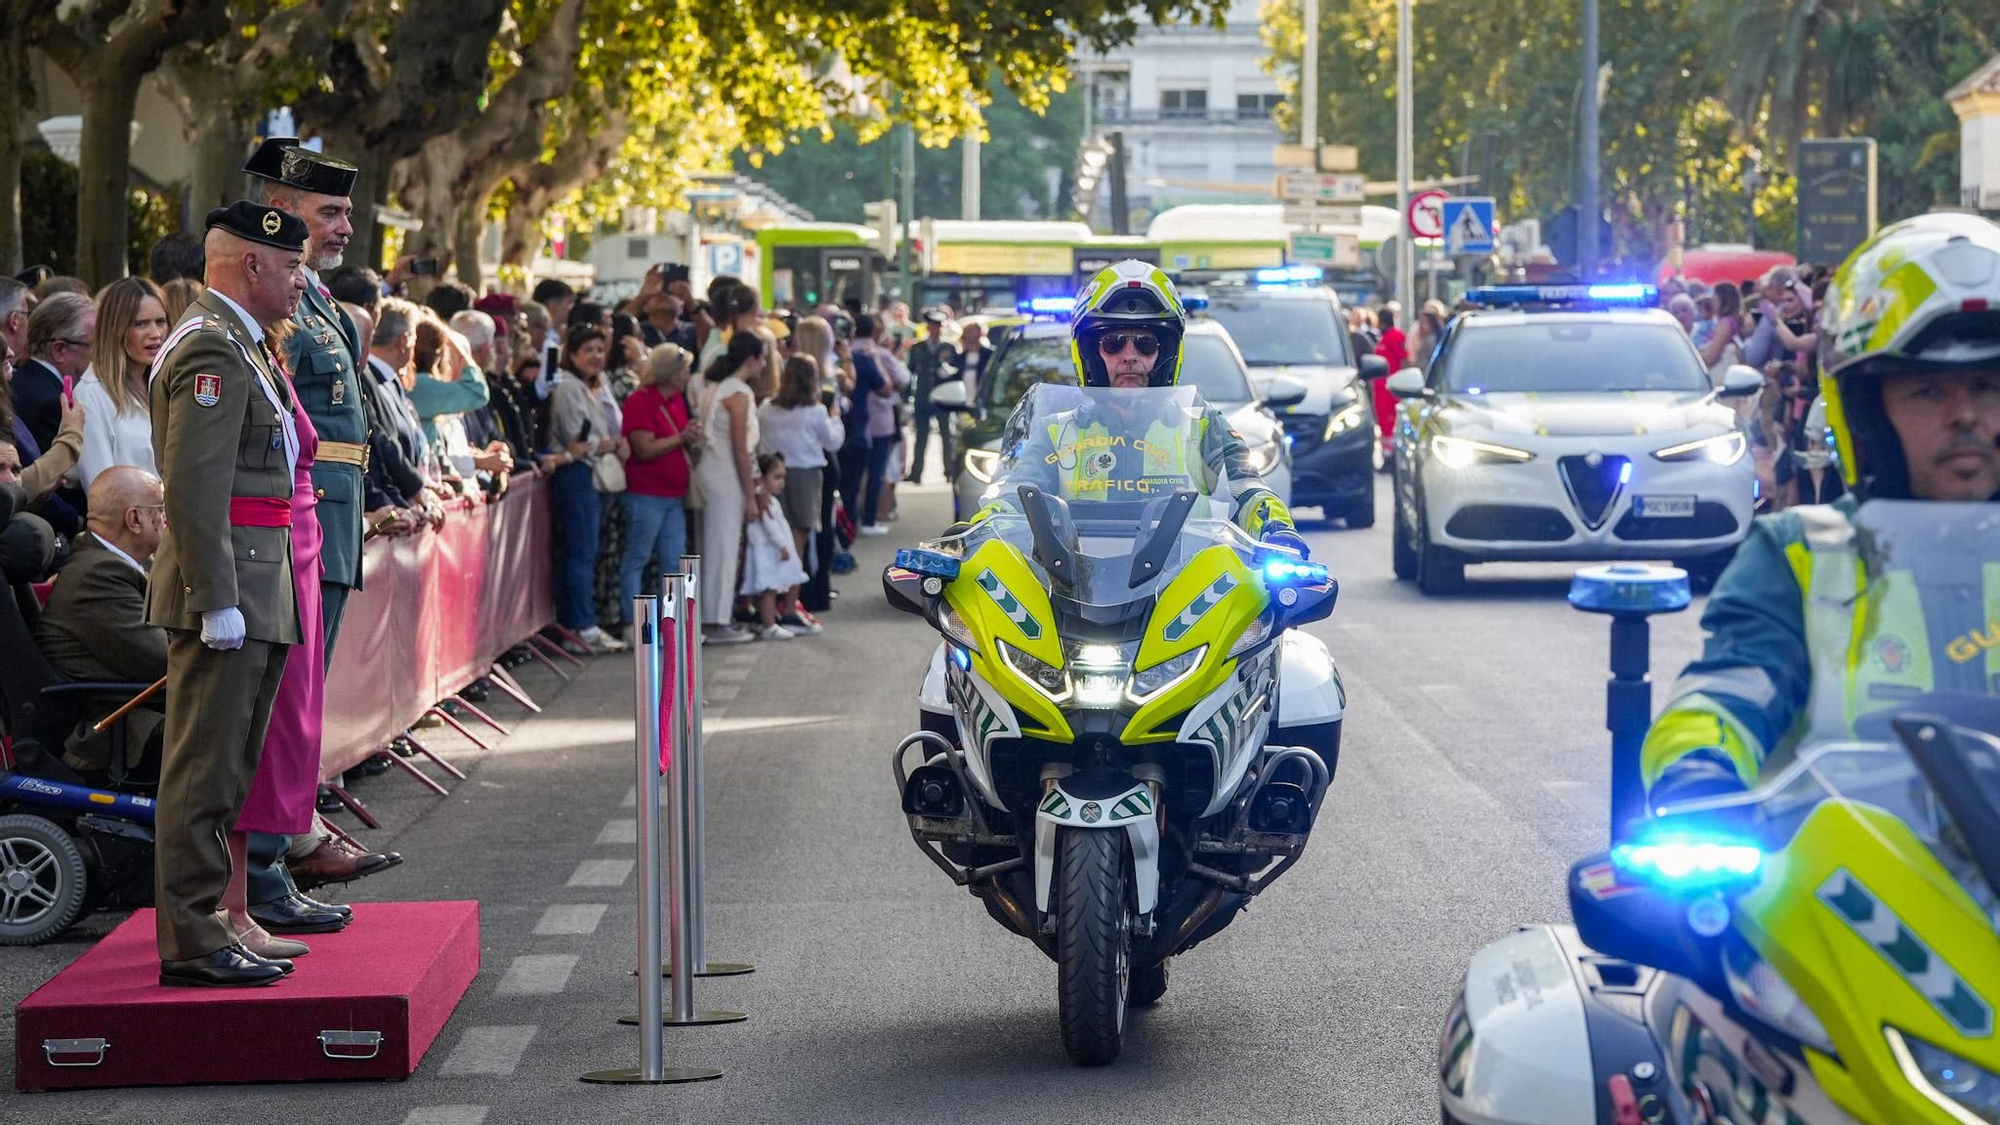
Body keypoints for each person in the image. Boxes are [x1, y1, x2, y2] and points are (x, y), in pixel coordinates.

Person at [1640, 213, 2000, 808]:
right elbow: (1733, 684)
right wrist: (1697, 764)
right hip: (1846, 885)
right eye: (1929, 390)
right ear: (1867, 414)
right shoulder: (1801, 554)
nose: (1964, 414)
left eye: (1988, 386)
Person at [147, 201, 311, 988]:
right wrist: (215, 595)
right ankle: (192, 935)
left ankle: (209, 923)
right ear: (252, 264)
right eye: (291, 267)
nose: (301, 281)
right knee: (202, 769)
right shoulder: (211, 347)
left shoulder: (241, 345)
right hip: (228, 580)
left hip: (254, 574)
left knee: (230, 766)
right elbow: (193, 485)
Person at [971, 260, 1305, 557]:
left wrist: (1276, 528)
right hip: (1070, 592)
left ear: (1166, 355)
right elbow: (1014, 495)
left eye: (1146, 343)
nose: (1130, 355)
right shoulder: (1056, 432)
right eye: (1113, 343)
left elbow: (1247, 487)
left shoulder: (1199, 426)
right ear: (1089, 354)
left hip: (1187, 596)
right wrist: (978, 531)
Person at [35, 466, 169, 780]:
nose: (167, 519)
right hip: (117, 726)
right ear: (134, 519)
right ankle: (272, 825)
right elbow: (164, 659)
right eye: (161, 510)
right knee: (241, 716)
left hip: (134, 705)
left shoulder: (112, 563)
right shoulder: (98, 574)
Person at [547, 321, 628, 654]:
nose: (596, 356)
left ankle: (579, 622)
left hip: (590, 472)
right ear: (573, 354)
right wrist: (607, 444)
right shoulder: (568, 387)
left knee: (585, 550)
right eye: (588, 350)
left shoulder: (592, 384)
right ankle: (581, 624)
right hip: (576, 473)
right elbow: (574, 436)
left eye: (600, 350)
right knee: (582, 551)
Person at [694, 331, 768, 645]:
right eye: (763, 357)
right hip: (726, 477)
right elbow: (741, 448)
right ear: (751, 359)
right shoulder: (738, 393)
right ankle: (716, 619)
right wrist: (751, 494)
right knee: (723, 549)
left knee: (712, 547)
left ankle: (714, 615)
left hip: (711, 473)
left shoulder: (715, 387)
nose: (765, 364)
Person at [757, 353, 840, 633]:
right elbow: (832, 441)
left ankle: (770, 602)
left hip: (773, 472)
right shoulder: (816, 411)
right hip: (806, 473)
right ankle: (791, 603)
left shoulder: (767, 409)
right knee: (798, 540)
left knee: (771, 537)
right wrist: (836, 419)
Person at [618, 343, 698, 613]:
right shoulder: (641, 401)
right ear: (672, 373)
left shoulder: (676, 400)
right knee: (637, 557)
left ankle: (672, 622)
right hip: (646, 493)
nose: (688, 376)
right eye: (685, 370)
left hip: (673, 494)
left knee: (673, 562)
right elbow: (643, 448)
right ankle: (634, 622)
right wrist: (680, 438)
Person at [75, 277, 169, 490]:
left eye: (160, 321)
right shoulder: (91, 395)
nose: (155, 334)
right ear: (116, 328)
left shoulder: (165, 388)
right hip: (130, 521)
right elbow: (100, 489)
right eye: (141, 323)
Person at [739, 453, 811, 640]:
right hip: (766, 551)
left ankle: (764, 621)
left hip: (765, 550)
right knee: (768, 589)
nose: (781, 482)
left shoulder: (769, 500)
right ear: (762, 478)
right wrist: (782, 546)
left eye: (783, 477)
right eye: (776, 477)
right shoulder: (765, 503)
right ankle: (769, 625)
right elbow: (770, 525)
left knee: (765, 590)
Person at [905, 311, 952, 483]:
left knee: (947, 436)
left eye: (938, 326)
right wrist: (906, 398)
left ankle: (949, 471)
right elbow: (910, 372)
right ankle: (916, 472)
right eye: (932, 326)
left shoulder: (948, 347)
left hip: (944, 398)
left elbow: (955, 373)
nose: (935, 330)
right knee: (921, 436)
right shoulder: (918, 347)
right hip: (923, 396)